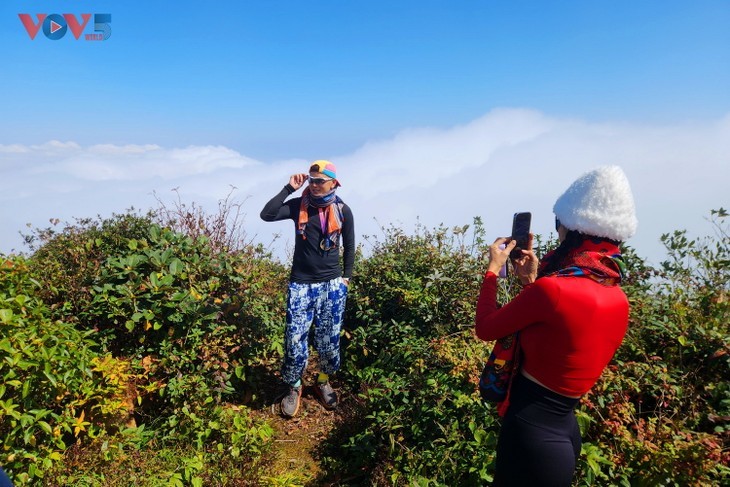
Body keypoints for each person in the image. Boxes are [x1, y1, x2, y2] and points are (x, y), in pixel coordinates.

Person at [475, 165, 637, 486]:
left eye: (560, 225)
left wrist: (493, 270)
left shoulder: (554, 290)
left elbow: (486, 327)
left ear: (573, 230)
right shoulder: (617, 296)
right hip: (564, 431)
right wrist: (532, 282)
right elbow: (557, 333)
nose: (558, 232)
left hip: (529, 432)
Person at [260, 160, 355, 417]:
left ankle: (322, 381)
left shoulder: (343, 210)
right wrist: (288, 188)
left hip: (332, 285)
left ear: (333, 182)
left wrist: (345, 279)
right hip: (300, 284)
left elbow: (349, 245)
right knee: (294, 339)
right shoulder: (297, 206)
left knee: (329, 340)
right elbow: (266, 214)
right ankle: (294, 385)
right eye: (311, 181)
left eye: (319, 181)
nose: (313, 186)